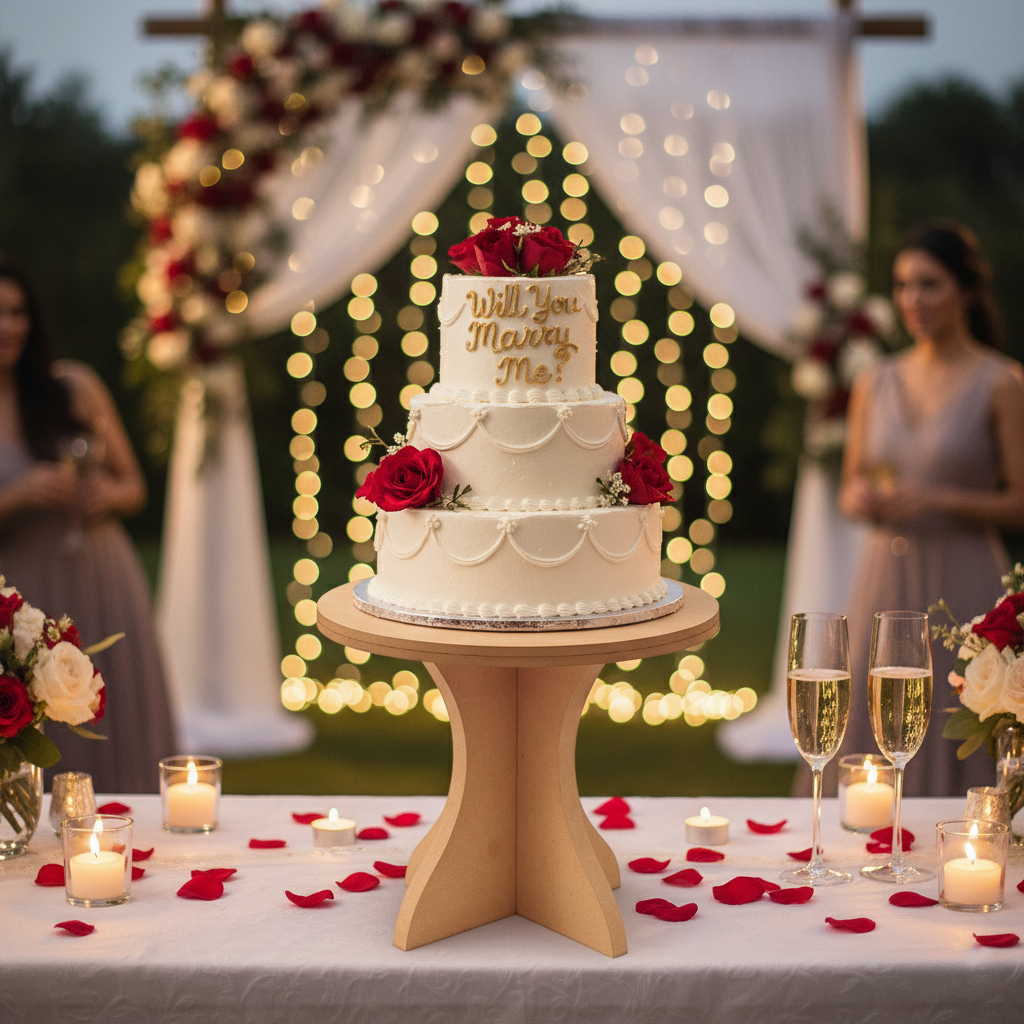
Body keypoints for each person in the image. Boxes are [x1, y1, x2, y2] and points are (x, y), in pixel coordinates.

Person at [830, 220, 1024, 796]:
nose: (913, 300)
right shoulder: (875, 379)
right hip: (884, 577)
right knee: (873, 714)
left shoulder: (1002, 382)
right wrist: (861, 498)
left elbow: (1020, 501)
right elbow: (849, 486)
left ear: (966, 289)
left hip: (964, 582)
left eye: (929, 284)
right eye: (902, 285)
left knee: (957, 714)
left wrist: (933, 498)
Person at [0, 257, 176, 793]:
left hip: (98, 577)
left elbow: (135, 487)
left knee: (109, 709)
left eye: (17, 311)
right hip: (21, 593)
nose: (7, 326)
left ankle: (121, 833)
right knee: (37, 720)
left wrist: (104, 494)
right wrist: (20, 494)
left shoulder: (73, 386)